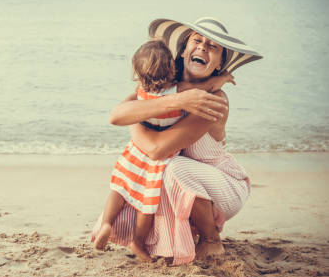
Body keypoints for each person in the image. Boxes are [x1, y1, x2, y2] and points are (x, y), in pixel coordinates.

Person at [91, 17, 263, 264]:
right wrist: (178, 101)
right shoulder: (162, 85)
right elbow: (118, 114)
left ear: (218, 64)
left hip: (221, 185)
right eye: (197, 40)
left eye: (213, 47)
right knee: (143, 179)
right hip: (181, 180)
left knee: (169, 168)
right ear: (183, 51)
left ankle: (212, 240)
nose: (203, 47)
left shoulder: (215, 100)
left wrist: (142, 119)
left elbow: (156, 149)